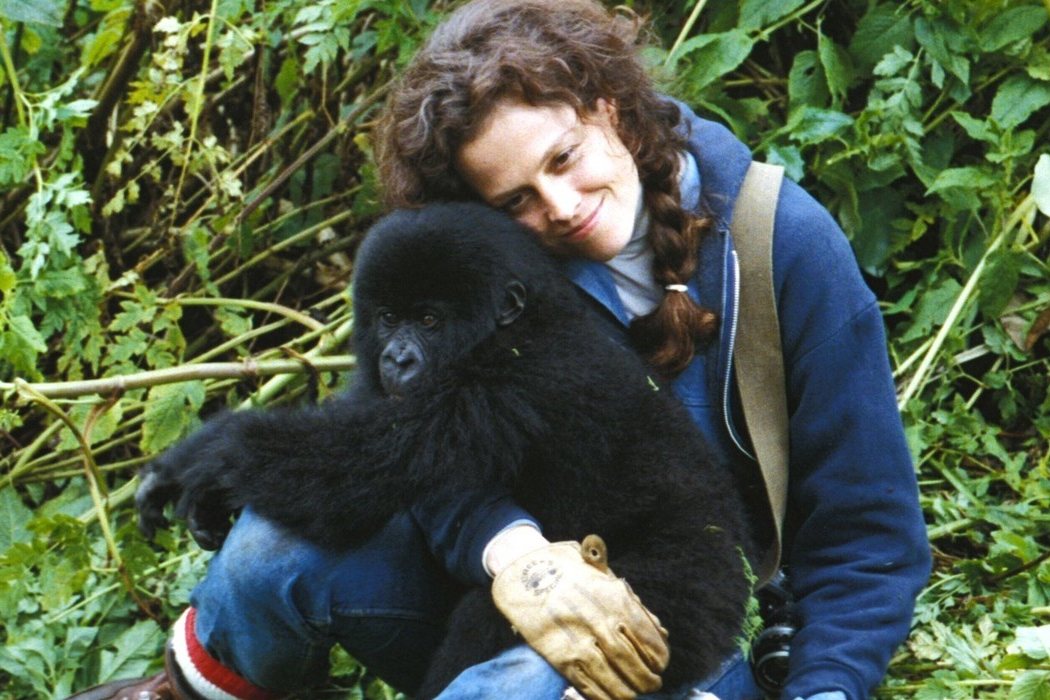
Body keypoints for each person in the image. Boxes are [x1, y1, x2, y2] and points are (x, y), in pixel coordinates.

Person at [69, 1, 930, 699]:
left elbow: (869, 534)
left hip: (689, 628)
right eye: (517, 196)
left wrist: (824, 690)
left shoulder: (784, 247)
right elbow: (403, 449)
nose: (559, 205)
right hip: (488, 595)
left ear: (611, 109)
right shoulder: (473, 273)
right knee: (270, 548)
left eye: (565, 157)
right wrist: (513, 553)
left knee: (520, 687)